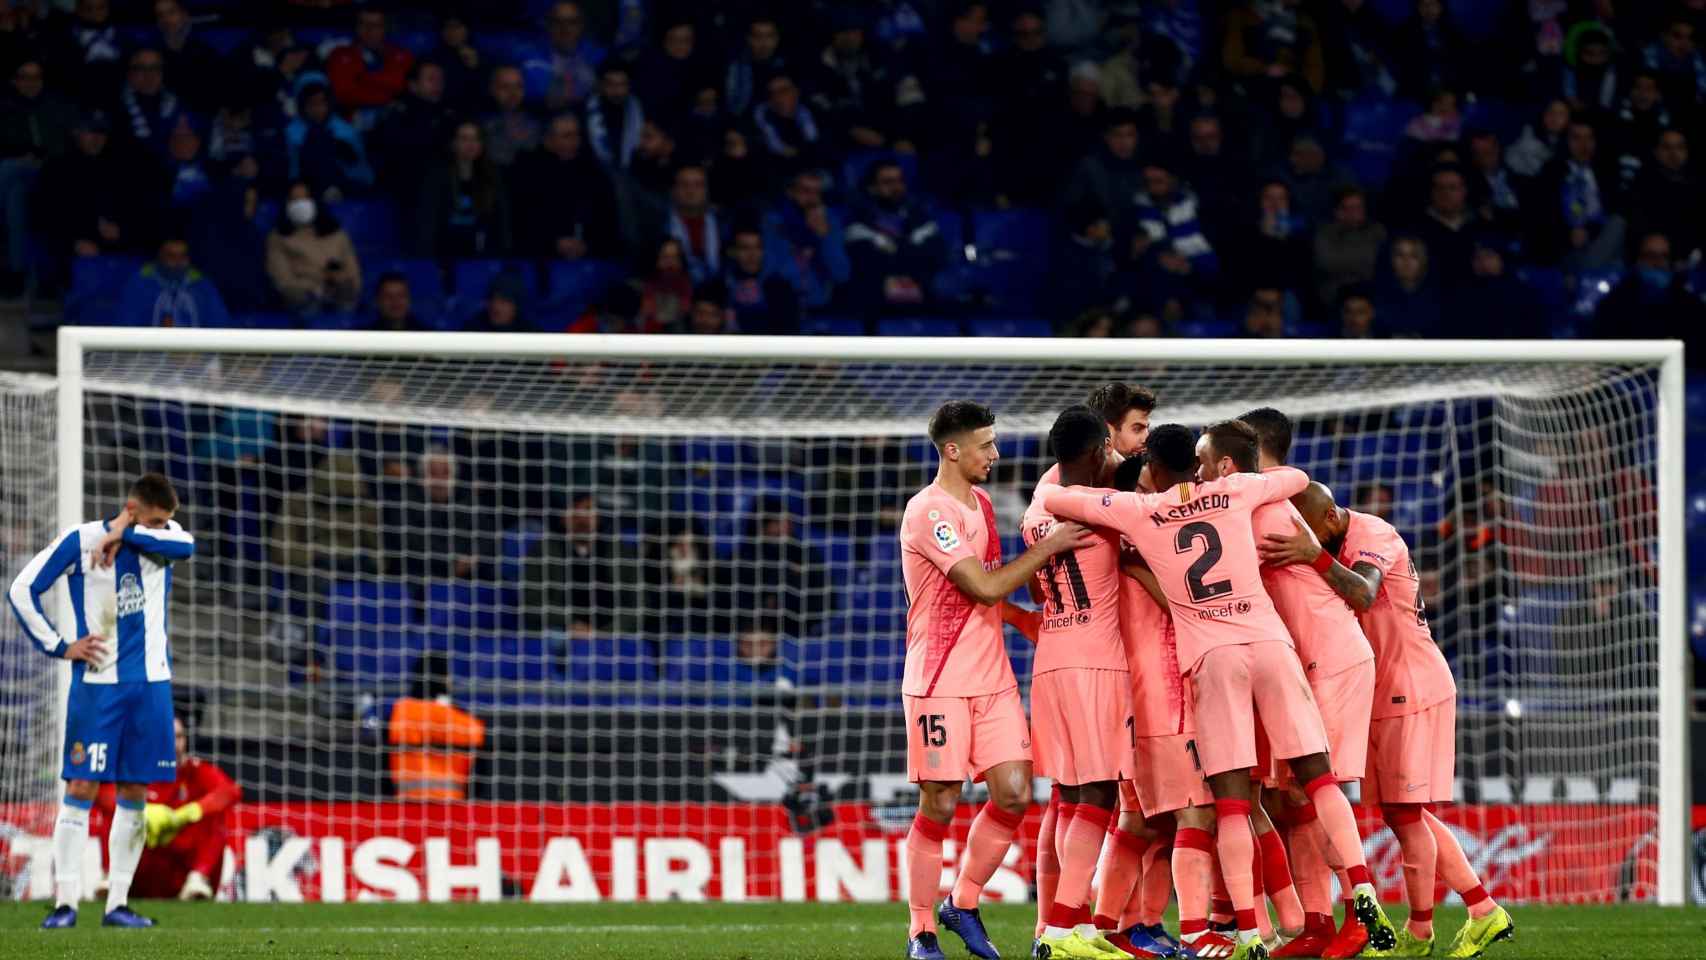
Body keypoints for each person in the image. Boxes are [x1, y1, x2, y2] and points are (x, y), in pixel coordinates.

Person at [1043, 423, 1396, 959]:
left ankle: (1250, 932)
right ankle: (1363, 886)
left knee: (1230, 804)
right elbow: (1296, 476)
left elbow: (1055, 496)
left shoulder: (1142, 511)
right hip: (1269, 642)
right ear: (1198, 463)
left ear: (1155, 470)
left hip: (1213, 659)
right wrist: (1248, 479)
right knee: (1317, 777)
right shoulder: (1234, 491)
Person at [1259, 477, 1516, 960]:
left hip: (1410, 684)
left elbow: (1363, 592)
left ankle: (1436, 928)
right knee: (1400, 811)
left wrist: (1310, 554)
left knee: (1402, 811)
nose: (1309, 543)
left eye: (1313, 534)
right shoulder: (1331, 540)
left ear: (1330, 521)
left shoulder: (1372, 534)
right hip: (1377, 689)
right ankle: (1468, 914)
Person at [898, 400, 1091, 960]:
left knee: (1012, 792)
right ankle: (920, 930)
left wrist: (1032, 622)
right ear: (953, 450)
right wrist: (1050, 546)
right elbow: (982, 586)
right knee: (939, 802)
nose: (995, 454)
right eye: (985, 445)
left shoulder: (981, 503)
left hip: (994, 677)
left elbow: (995, 595)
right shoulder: (927, 511)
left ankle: (962, 901)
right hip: (939, 680)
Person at [9, 473, 195, 929]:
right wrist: (59, 645)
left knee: (135, 790)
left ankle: (117, 905)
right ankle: (66, 902)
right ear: (134, 507)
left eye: (163, 523)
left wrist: (123, 532)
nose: (161, 529)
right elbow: (22, 590)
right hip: (98, 686)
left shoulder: (162, 536)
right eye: (153, 521)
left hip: (151, 686)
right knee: (80, 788)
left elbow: (185, 545)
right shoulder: (80, 541)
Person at [1238, 409, 1378, 959]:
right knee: (1291, 794)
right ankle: (1316, 923)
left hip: (1331, 654)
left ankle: (1360, 914)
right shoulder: (1257, 501)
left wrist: (1316, 554)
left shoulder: (1298, 499)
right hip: (1296, 662)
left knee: (1320, 789)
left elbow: (1356, 586)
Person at [1023, 407, 1136, 960]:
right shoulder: (1100, 513)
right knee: (1100, 791)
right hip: (1096, 659)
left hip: (1051, 656)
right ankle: (1064, 931)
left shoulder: (1033, 512)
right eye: (1108, 451)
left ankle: (1060, 925)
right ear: (1095, 454)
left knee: (1069, 795)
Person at [95, 714, 241, 900]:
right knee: (113, 814)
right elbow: (100, 795)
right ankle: (111, 878)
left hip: (182, 872)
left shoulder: (195, 771)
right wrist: (139, 813)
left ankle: (198, 879)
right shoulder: (134, 772)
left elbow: (231, 792)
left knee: (214, 813)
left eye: (179, 737)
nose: (174, 744)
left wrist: (188, 813)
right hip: (139, 869)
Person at [510, 113, 616, 260]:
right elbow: (522, 220)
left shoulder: (593, 172)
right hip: (540, 257)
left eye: (577, 135)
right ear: (548, 140)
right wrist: (553, 242)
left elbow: (607, 220)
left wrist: (588, 244)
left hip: (590, 256)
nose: (575, 142)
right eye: (567, 136)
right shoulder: (527, 171)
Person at [846, 160, 945, 310]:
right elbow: (866, 262)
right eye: (888, 182)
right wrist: (910, 251)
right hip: (874, 299)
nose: (896, 187)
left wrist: (893, 250)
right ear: (872, 188)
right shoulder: (858, 220)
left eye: (899, 181)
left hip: (922, 295)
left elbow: (937, 257)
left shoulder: (920, 218)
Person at [388, 652, 485, 801]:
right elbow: (478, 779)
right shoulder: (468, 723)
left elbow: (383, 768)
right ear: (445, 679)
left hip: (406, 807)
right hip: (452, 809)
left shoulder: (398, 714)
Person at [265, 181, 361, 319]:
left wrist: (339, 280)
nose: (301, 205)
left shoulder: (336, 233)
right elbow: (283, 282)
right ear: (286, 204)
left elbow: (354, 276)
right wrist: (317, 289)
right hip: (303, 302)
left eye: (305, 199)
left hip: (341, 297)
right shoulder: (278, 238)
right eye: (295, 200)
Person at [415, 121, 511, 257]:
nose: (471, 144)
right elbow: (428, 220)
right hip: (443, 250)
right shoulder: (437, 176)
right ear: (453, 143)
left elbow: (501, 219)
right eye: (464, 138)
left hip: (483, 252)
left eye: (475, 139)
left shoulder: (493, 175)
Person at [323, 8, 413, 131]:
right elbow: (342, 93)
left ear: (386, 28)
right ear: (356, 27)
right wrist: (388, 95)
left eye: (376, 25)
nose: (369, 30)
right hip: (351, 126)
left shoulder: (402, 55)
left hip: (396, 126)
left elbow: (404, 87)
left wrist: (364, 78)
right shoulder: (339, 55)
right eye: (363, 24)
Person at [117, 235, 232, 328]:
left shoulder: (201, 285)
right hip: (149, 354)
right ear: (160, 256)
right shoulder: (140, 283)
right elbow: (126, 325)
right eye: (171, 256)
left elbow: (220, 325)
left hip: (196, 354)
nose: (178, 262)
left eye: (183, 256)